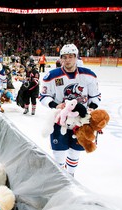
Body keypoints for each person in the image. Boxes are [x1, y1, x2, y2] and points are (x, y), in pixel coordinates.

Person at [39, 43, 101, 176]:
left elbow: (95, 97)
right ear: (60, 58)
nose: (67, 60)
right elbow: (43, 96)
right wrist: (55, 105)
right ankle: (61, 176)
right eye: (64, 57)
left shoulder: (89, 75)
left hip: (81, 120)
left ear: (76, 57)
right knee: (59, 153)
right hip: (60, 119)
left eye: (71, 56)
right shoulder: (51, 75)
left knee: (75, 151)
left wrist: (91, 108)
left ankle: (71, 175)